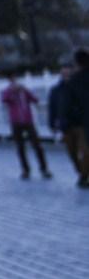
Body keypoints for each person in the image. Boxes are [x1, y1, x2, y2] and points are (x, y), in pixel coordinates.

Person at [1, 73, 51, 180]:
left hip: (28, 121)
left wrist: (26, 91)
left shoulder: (24, 91)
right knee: (20, 147)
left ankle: (44, 168)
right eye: (12, 81)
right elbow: (4, 100)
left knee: (37, 145)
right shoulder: (7, 92)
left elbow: (35, 99)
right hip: (16, 122)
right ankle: (25, 170)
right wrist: (12, 92)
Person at [63, 49, 89, 188]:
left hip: (83, 122)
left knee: (84, 151)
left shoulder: (74, 81)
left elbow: (69, 104)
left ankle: (83, 176)